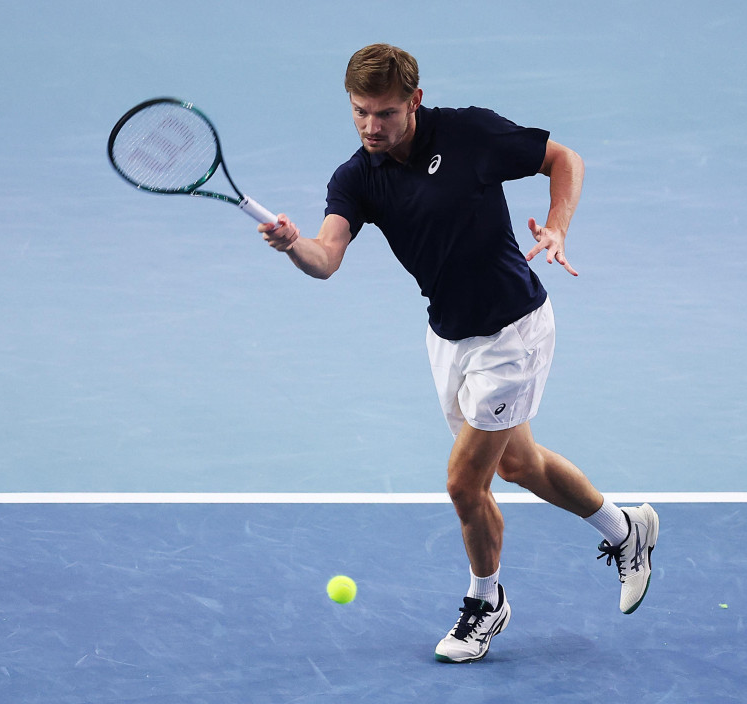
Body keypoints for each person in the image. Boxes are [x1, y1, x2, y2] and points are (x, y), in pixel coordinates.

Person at [259, 43, 659, 663]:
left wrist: (558, 226)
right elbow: (326, 257)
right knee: (518, 465)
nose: (371, 126)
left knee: (463, 484)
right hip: (449, 337)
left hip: (513, 332)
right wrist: (292, 245)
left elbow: (564, 159)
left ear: (414, 102)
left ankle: (485, 604)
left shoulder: (469, 133)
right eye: (360, 112)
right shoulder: (356, 177)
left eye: (385, 113)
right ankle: (626, 529)